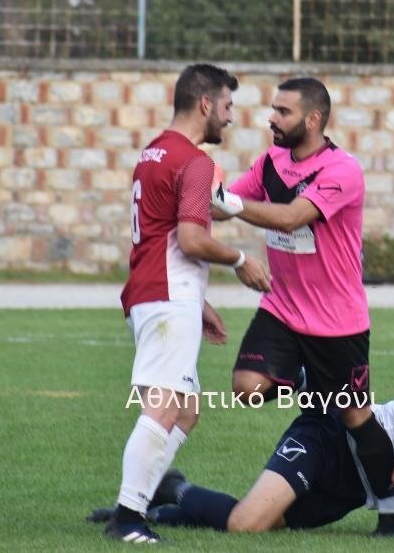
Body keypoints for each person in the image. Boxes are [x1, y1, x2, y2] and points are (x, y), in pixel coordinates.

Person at [210, 77, 394, 533]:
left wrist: (229, 202)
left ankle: (391, 515)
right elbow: (224, 205)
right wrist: (203, 184)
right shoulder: (271, 160)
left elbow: (293, 215)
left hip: (338, 324)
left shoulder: (342, 171)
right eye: (273, 109)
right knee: (246, 387)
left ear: (313, 120)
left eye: (283, 112)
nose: (271, 118)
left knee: (356, 417)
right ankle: (298, 376)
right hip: (282, 309)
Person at [104, 63, 271, 544]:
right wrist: (241, 259)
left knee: (187, 410)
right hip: (164, 296)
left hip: (161, 292)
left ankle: (144, 494)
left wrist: (199, 302)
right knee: (162, 408)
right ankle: (128, 516)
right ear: (205, 105)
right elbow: (192, 240)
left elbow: (162, 235)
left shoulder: (153, 151)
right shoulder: (194, 161)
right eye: (227, 106)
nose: (231, 117)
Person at [130, 367, 394, 545]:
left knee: (259, 525)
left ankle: (170, 500)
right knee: (248, 523)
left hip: (352, 490)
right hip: (331, 438)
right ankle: (175, 491)